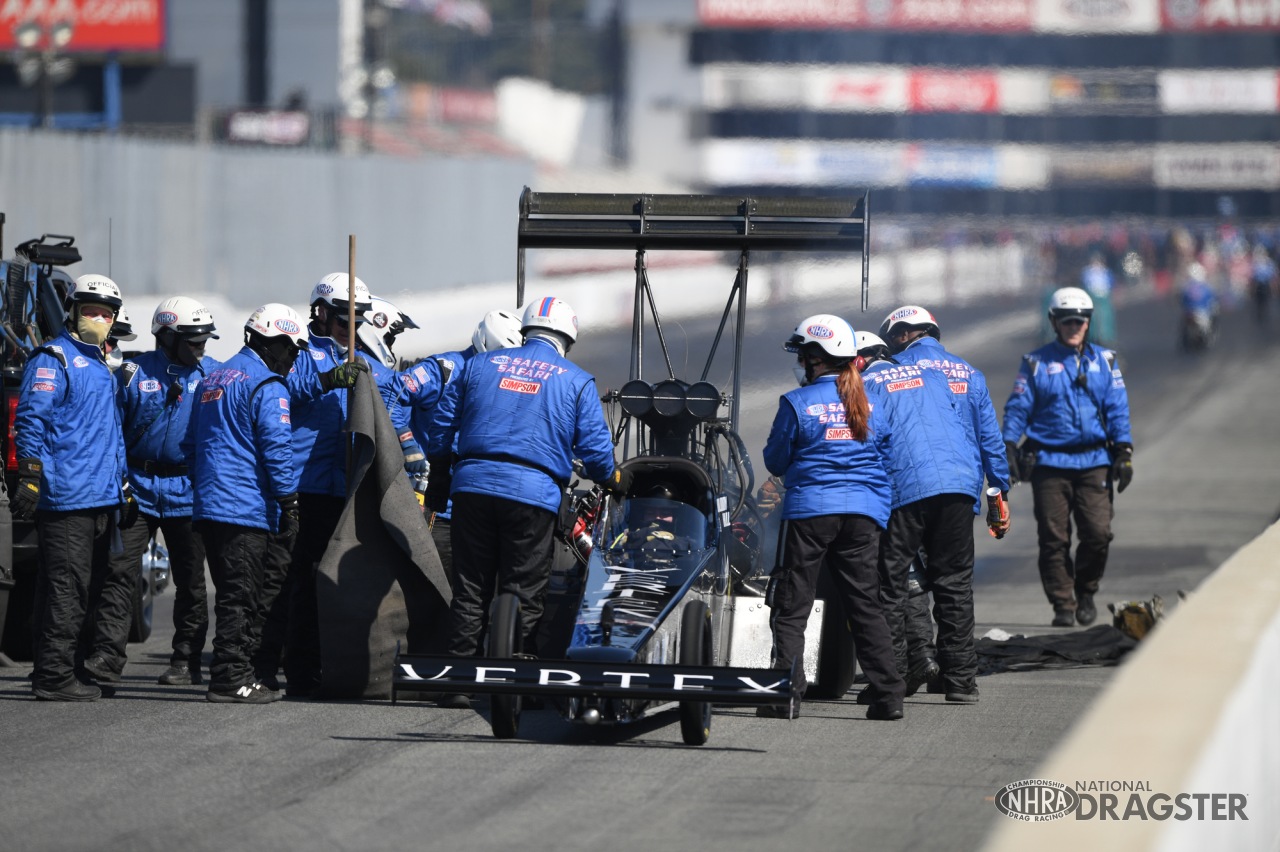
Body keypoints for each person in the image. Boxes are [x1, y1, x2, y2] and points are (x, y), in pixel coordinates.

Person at [426, 296, 626, 710]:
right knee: (523, 590)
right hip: (533, 498)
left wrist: (443, 473)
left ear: (526, 329)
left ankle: (458, 682)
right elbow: (598, 454)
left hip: (472, 488)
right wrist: (611, 479)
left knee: (470, 587)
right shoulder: (575, 380)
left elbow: (441, 426)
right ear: (567, 338)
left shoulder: (479, 365)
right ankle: (514, 681)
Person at [759, 314, 904, 721]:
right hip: (864, 514)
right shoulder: (873, 401)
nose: (801, 364)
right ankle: (888, 695)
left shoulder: (797, 402)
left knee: (792, 604)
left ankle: (784, 694)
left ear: (817, 359)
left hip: (809, 514)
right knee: (865, 604)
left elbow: (775, 459)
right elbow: (889, 458)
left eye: (804, 357)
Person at [80, 297, 223, 686]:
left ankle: (186, 661)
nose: (201, 346)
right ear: (167, 337)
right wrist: (120, 482)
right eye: (193, 340)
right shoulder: (130, 374)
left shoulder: (215, 376)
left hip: (188, 491)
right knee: (117, 574)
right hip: (137, 490)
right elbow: (111, 435)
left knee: (192, 582)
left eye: (204, 339)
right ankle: (106, 659)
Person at [15, 273, 135, 702]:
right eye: (91, 311)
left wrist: (123, 485)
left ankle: (62, 668)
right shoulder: (53, 358)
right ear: (73, 312)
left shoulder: (103, 366)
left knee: (80, 587)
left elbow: (112, 435)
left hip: (101, 497)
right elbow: (30, 420)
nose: (98, 319)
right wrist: (30, 474)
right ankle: (53, 677)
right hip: (66, 497)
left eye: (106, 313)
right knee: (67, 588)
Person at [183, 304, 308, 704]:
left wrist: (207, 484)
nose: (293, 359)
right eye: (292, 350)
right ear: (273, 345)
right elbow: (278, 450)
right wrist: (289, 501)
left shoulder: (212, 377)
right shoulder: (268, 385)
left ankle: (237, 673)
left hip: (209, 505)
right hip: (246, 509)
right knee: (241, 597)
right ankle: (230, 679)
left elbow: (188, 444)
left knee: (231, 593)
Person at [855, 329, 986, 705]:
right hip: (960, 484)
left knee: (890, 586)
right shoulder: (933, 376)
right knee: (955, 584)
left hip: (907, 489)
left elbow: (865, 443)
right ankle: (961, 682)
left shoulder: (864, 383)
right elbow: (962, 428)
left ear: (859, 360)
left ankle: (891, 681)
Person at [1002, 286, 1134, 628]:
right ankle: (1063, 603)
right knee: (1054, 539)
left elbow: (1117, 410)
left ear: (1088, 323)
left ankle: (1086, 590)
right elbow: (1018, 408)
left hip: (1094, 463)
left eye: (1079, 321)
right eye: (1066, 321)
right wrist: (1009, 444)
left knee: (1098, 534)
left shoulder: (1106, 362)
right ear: (1054, 322)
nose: (1073, 326)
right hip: (1049, 465)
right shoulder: (1035, 363)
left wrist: (1124, 451)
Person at [405, 308, 524, 579]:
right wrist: (406, 443)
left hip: (480, 505)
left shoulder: (509, 380)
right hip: (434, 505)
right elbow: (393, 392)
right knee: (435, 588)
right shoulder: (445, 369)